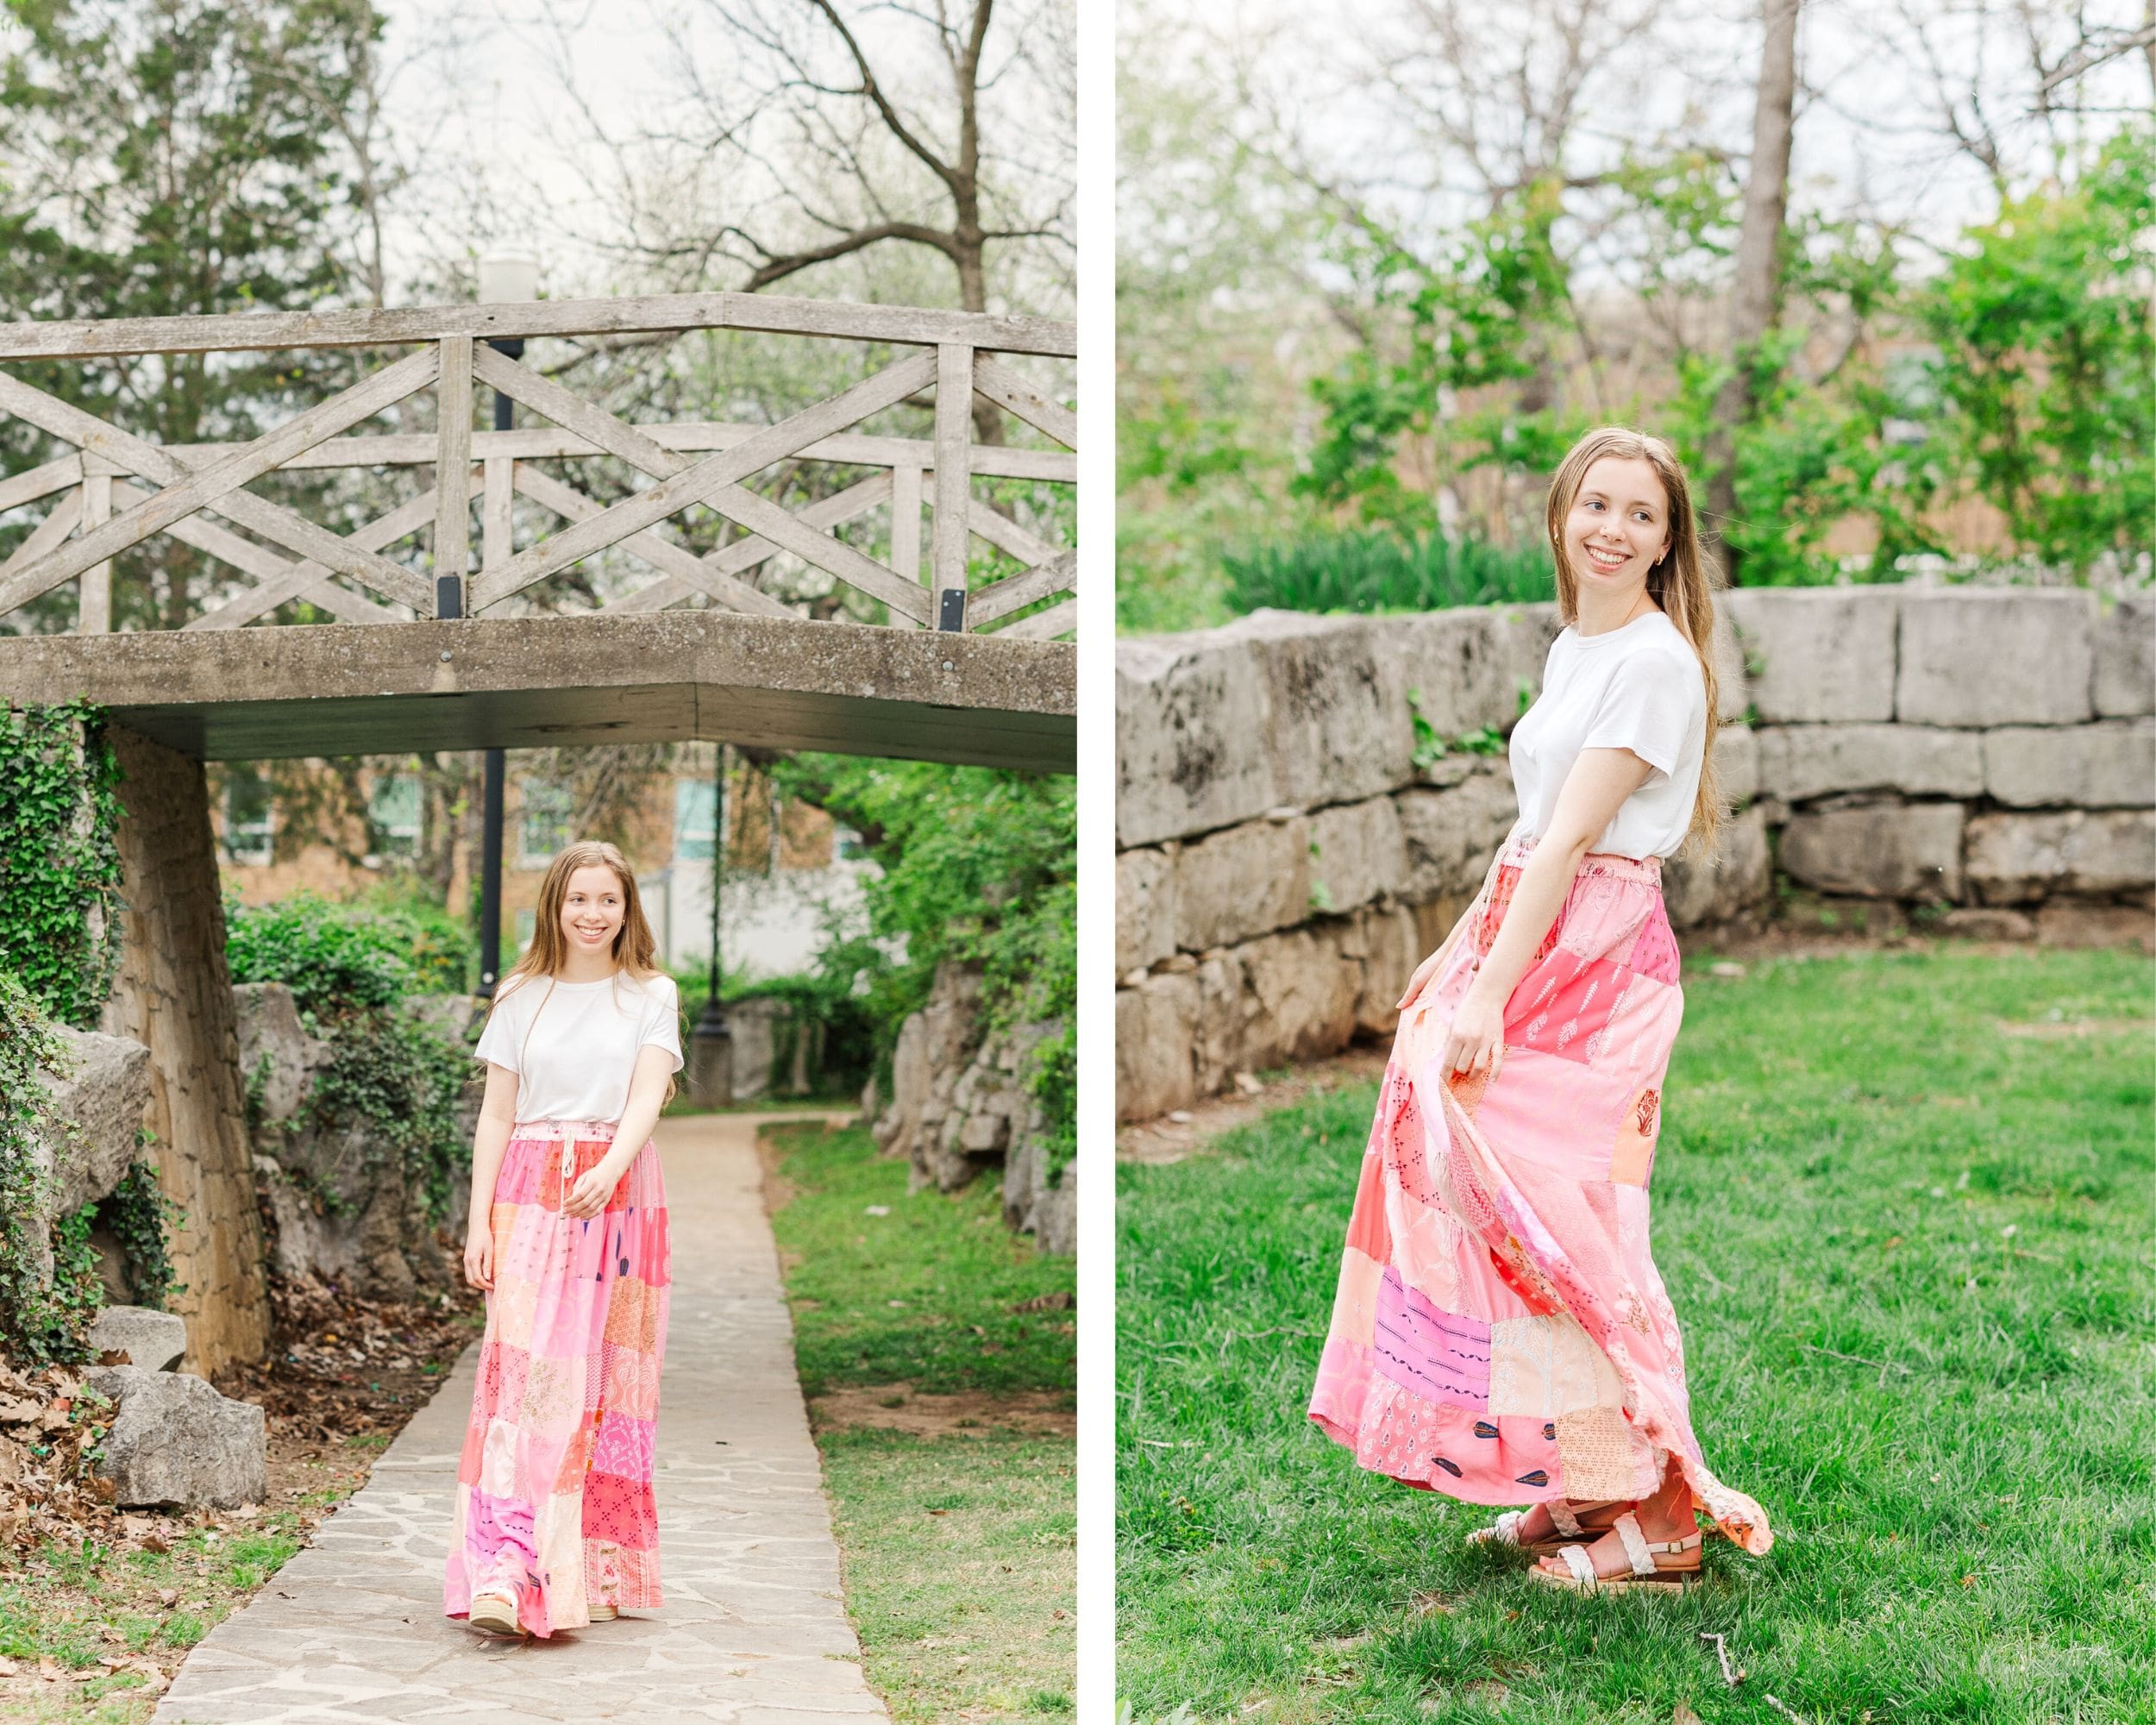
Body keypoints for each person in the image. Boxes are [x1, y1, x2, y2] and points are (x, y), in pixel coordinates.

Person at [1307, 425, 1774, 1594]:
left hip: (1596, 965)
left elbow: (1575, 840)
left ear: (1670, 544)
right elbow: (1527, 834)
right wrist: (1452, 957)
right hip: (1536, 924)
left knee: (1569, 1229)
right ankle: (1578, 1480)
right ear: (1565, 513)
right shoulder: (1582, 645)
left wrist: (1493, 995)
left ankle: (1661, 1513)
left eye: (1642, 515)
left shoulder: (1657, 665)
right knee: (1488, 1201)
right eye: (1596, 505)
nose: (1614, 528)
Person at [442, 839, 684, 1638]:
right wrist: (477, 1220)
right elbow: (497, 1114)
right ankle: (507, 1569)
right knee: (526, 1379)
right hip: (530, 1192)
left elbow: (649, 1096)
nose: (593, 914)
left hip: (623, 1196)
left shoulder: (652, 993)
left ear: (627, 909)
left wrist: (610, 1167)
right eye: (578, 899)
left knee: (612, 1374)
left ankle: (590, 1566)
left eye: (608, 900)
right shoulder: (521, 995)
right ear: (554, 903)